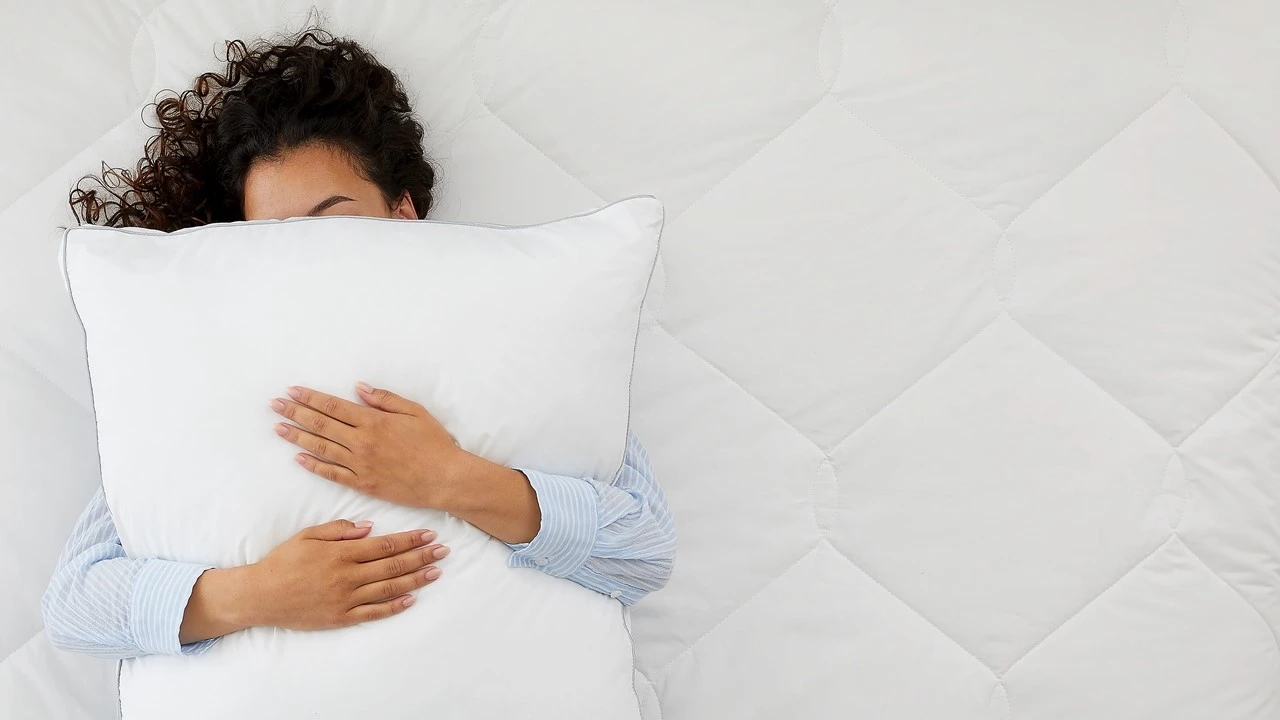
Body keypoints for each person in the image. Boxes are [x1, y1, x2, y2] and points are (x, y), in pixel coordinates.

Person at [42, 28, 675, 659]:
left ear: (404, 212)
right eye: (276, 239)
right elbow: (75, 606)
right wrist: (259, 594)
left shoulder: (504, 333)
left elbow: (641, 551)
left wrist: (448, 478)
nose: (313, 259)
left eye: (334, 223)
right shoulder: (216, 370)